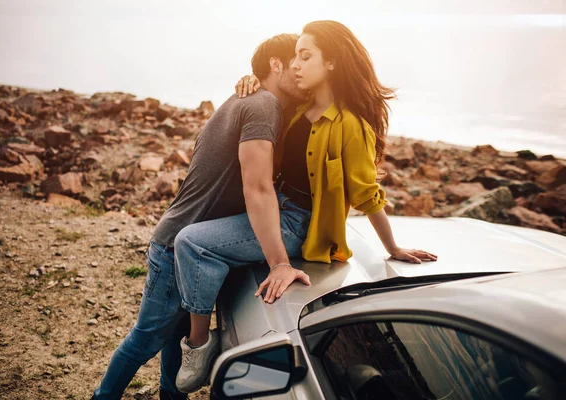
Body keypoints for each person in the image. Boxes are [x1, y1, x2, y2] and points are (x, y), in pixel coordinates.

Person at [173, 20, 437, 393]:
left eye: (305, 55)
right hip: (276, 206)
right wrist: (251, 79)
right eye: (294, 56)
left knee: (191, 242)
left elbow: (365, 193)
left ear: (331, 63)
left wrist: (392, 248)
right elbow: (269, 98)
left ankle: (198, 347)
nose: (294, 64)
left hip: (300, 224)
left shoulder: (351, 125)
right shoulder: (299, 109)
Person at [91, 33, 309, 400]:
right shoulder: (263, 105)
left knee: (173, 337)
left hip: (182, 236)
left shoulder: (252, 98)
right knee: (147, 338)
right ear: (276, 64)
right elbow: (256, 189)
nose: (302, 71)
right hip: (180, 243)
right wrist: (280, 262)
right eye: (297, 61)